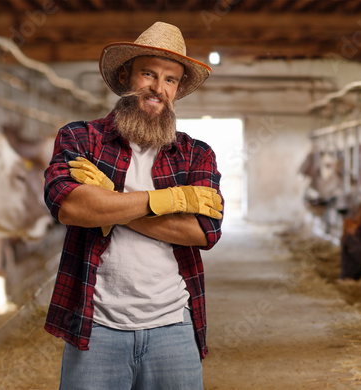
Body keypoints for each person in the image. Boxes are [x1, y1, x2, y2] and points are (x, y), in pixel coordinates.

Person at [43, 21, 224, 389]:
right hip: (96, 328)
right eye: (148, 73)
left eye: (170, 79)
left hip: (173, 326)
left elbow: (203, 232)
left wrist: (111, 203)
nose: (159, 88)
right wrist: (167, 201)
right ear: (127, 75)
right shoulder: (80, 138)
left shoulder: (195, 154)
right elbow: (70, 208)